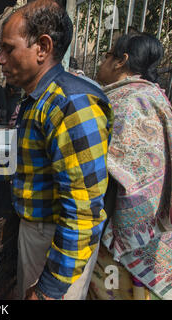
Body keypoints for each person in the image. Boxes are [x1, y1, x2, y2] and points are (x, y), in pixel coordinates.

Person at [0, 0, 113, 300]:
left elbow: (83, 213)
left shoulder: (72, 104)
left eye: (8, 48)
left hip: (57, 240)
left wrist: (50, 289)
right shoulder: (35, 101)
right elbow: (24, 164)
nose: (0, 60)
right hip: (36, 231)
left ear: (42, 47)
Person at [88, 33, 172, 300]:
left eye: (107, 55)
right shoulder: (155, 96)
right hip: (151, 225)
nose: (103, 61)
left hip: (115, 231)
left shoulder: (124, 102)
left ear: (121, 61)